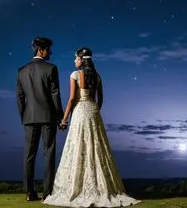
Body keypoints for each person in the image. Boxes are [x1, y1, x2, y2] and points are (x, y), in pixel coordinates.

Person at [43, 47, 141, 207]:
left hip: (81, 112)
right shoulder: (97, 76)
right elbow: (100, 98)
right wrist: (94, 110)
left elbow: (72, 99)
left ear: (82, 59)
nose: (74, 61)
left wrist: (64, 119)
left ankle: (77, 186)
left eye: (76, 58)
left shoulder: (75, 75)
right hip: (93, 112)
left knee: (78, 145)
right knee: (96, 146)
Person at [16, 36, 64, 202]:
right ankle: (48, 194)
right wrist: (60, 117)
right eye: (48, 49)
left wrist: (24, 117)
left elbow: (20, 98)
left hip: (29, 118)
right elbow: (55, 95)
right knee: (48, 154)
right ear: (41, 50)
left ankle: (29, 193)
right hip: (48, 117)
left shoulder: (22, 70)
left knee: (29, 156)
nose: (50, 52)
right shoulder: (51, 68)